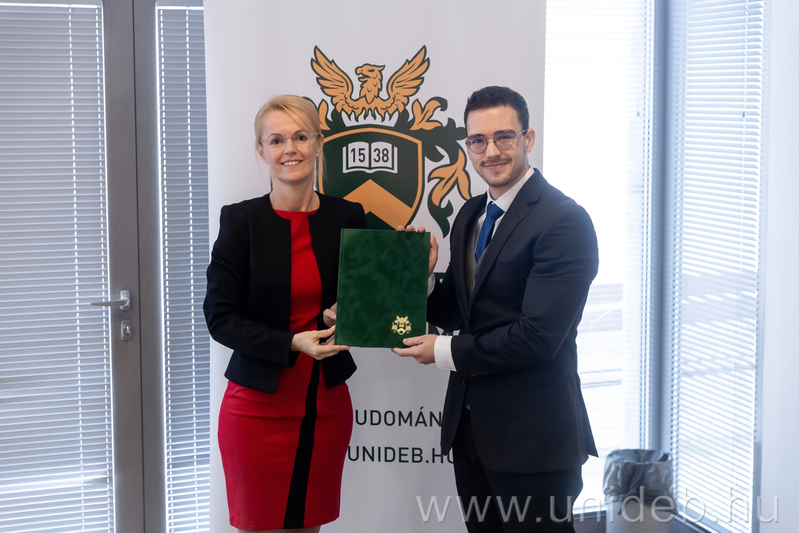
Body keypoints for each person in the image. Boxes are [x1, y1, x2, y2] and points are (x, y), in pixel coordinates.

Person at [393, 86, 598, 532]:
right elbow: (460, 311)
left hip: (534, 441)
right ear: (467, 146)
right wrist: (422, 278)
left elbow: (537, 338)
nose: (491, 151)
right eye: (478, 140)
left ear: (528, 138)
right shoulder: (470, 214)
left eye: (504, 136)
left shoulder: (564, 221)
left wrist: (443, 351)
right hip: (470, 433)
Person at [204, 94, 367, 533]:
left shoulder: (349, 216)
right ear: (262, 150)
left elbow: (375, 297)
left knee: (309, 526)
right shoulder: (241, 221)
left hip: (326, 405)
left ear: (319, 143)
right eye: (276, 140)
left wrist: (416, 268)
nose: (289, 149)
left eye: (300, 137)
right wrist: (292, 342)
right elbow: (219, 317)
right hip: (256, 409)